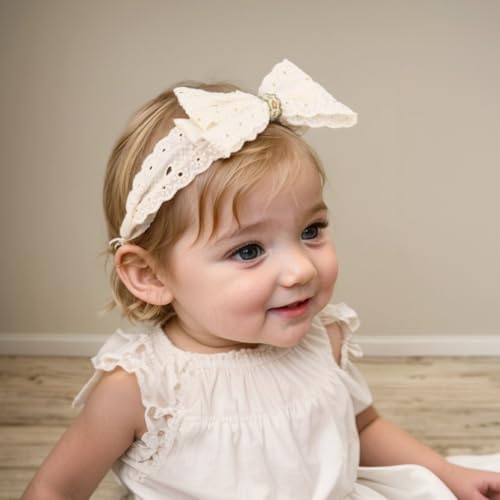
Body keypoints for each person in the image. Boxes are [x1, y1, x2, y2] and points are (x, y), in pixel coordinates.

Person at [23, 60, 500, 500]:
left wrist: (446, 473)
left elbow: (362, 427)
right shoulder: (142, 389)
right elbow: (54, 490)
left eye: (311, 231)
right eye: (248, 250)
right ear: (150, 275)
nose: (302, 269)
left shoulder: (323, 340)